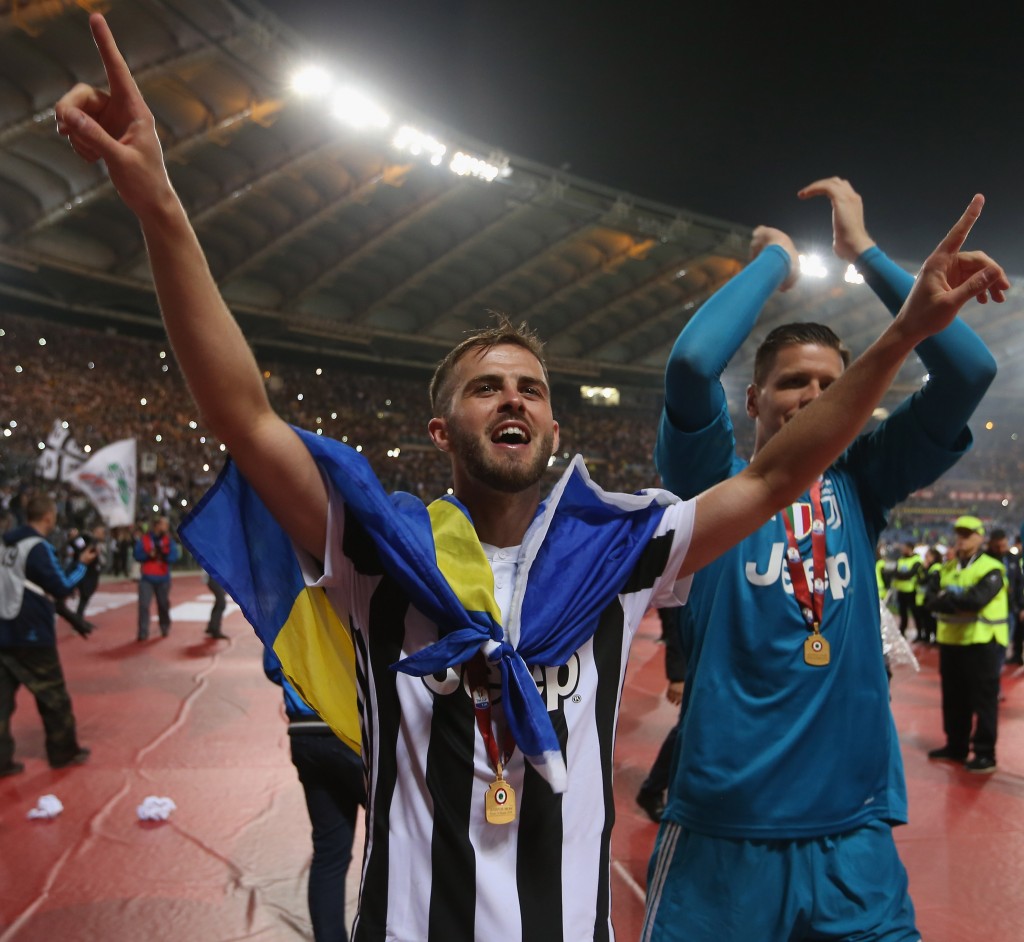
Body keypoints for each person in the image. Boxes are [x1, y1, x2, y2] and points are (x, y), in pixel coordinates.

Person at [56, 19, 1009, 940]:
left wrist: (902, 334)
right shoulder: (377, 551)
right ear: (442, 428)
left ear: (556, 428)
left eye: (531, 389)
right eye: (486, 387)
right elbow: (244, 416)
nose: (511, 397)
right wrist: (162, 207)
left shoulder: (623, 553)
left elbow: (775, 476)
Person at [643, 178, 1001, 942]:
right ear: (754, 401)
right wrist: (776, 258)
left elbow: (970, 372)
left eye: (831, 386)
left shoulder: (862, 481)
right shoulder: (712, 485)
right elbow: (692, 367)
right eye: (792, 383)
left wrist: (864, 252)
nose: (812, 396)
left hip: (854, 833)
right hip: (725, 832)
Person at [265, 646, 366, 942]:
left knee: (329, 852)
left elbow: (273, 666)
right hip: (353, 729)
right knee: (395, 843)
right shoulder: (362, 609)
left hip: (305, 734)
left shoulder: (283, 610)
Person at [0, 494, 96, 776]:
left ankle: (2, 760)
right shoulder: (38, 547)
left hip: (3, 629)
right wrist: (81, 564)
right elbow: (62, 587)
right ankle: (63, 751)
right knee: (53, 697)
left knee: (1, 702)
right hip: (31, 632)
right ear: (48, 517)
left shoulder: (5, 543)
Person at [926, 515, 1008, 773]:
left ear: (980, 537)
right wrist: (955, 600)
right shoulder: (946, 568)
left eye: (968, 534)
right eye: (959, 534)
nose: (961, 539)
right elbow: (929, 600)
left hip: (982, 642)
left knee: (983, 700)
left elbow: (976, 601)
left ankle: (985, 753)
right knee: (953, 698)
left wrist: (946, 598)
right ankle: (956, 745)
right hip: (951, 642)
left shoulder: (992, 568)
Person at [635, 608, 688, 823]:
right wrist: (678, 674)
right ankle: (652, 789)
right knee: (688, 728)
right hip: (707, 667)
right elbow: (676, 618)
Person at [134, 516, 180, 641]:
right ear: (157, 525)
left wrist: (164, 555)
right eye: (164, 524)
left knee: (163, 604)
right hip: (147, 578)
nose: (166, 527)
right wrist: (148, 555)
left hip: (163, 578)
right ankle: (143, 631)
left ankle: (164, 626)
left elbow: (174, 556)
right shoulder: (145, 539)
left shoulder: (169, 541)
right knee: (144, 605)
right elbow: (136, 555)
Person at [986, 528, 1024, 666]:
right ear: (991, 544)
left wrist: (1021, 606)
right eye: (998, 546)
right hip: (992, 609)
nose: (1001, 549)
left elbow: (1019, 583)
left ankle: (999, 665)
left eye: (1003, 545)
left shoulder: (1012, 558)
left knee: (1005, 641)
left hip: (1011, 607)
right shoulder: (985, 559)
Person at [892, 541, 924, 637]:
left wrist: (901, 575)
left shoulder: (917, 560)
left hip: (911, 591)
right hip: (901, 590)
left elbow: (910, 574)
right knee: (902, 613)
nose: (902, 550)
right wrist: (902, 576)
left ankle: (920, 633)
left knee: (915, 613)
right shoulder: (901, 559)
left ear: (910, 549)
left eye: (904, 548)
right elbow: (895, 572)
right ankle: (902, 631)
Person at [204, 574, 228, 640]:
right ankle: (215, 629)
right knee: (221, 604)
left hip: (216, 579)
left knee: (219, 603)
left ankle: (212, 626)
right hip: (215, 579)